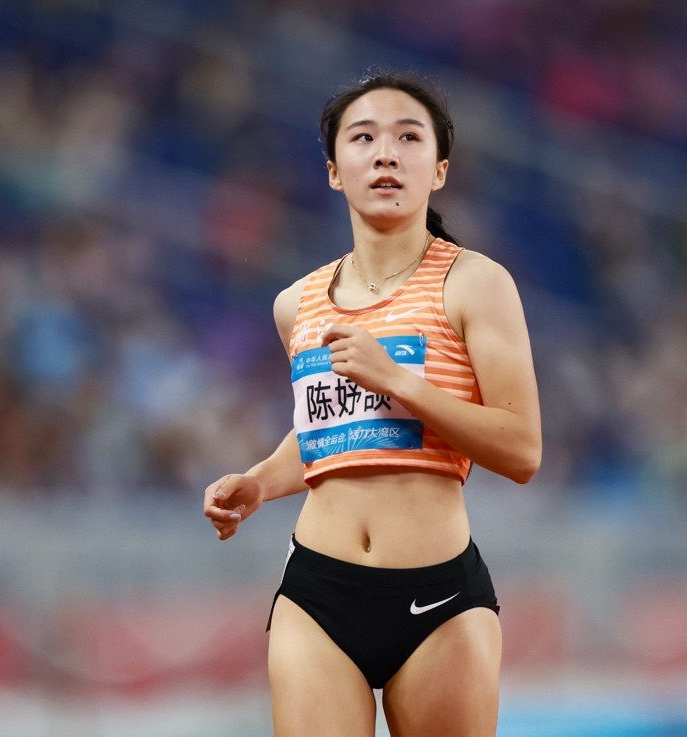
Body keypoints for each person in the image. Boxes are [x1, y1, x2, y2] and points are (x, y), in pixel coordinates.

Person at [202, 70, 542, 737]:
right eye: (363, 138)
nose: (386, 153)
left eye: (408, 137)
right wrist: (260, 481)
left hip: (439, 596)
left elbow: (522, 449)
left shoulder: (476, 283)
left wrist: (402, 381)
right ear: (334, 171)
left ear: (438, 170)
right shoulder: (296, 303)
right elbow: (334, 432)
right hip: (318, 592)